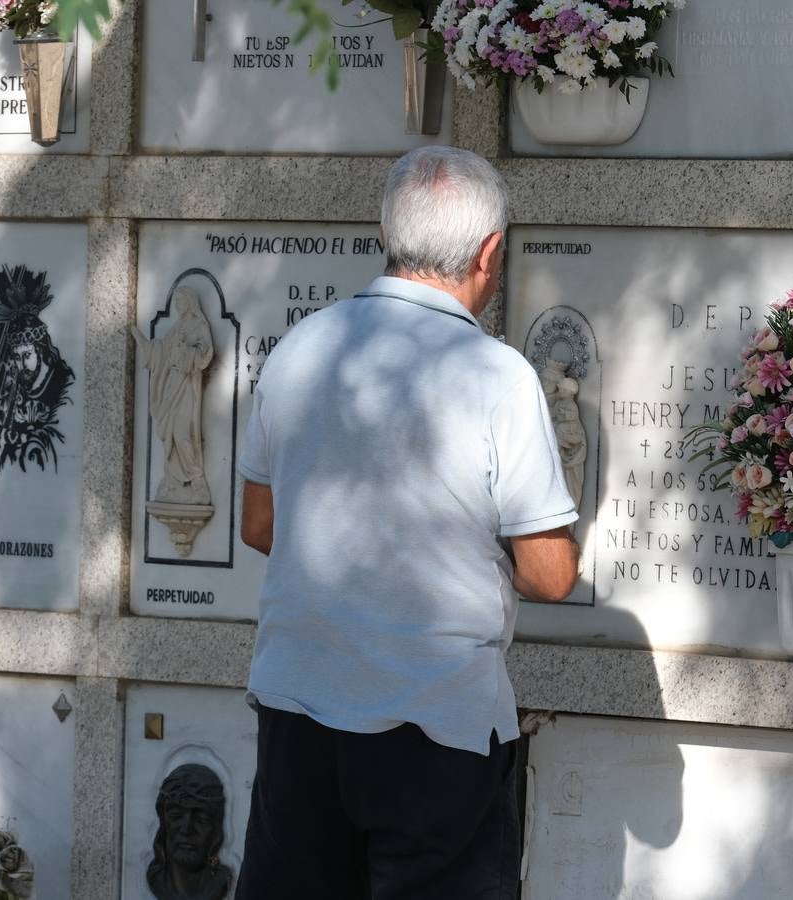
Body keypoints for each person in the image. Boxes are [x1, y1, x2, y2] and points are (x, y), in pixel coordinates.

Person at [233, 145, 581, 900]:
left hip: (299, 711)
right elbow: (549, 576)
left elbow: (259, 526)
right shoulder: (498, 375)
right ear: (490, 253)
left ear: (382, 233)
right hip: (436, 726)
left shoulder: (299, 346)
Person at [133, 287, 215, 505]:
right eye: (175, 300)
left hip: (187, 387)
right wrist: (145, 343)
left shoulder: (199, 326)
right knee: (170, 434)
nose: (178, 304)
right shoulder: (177, 328)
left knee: (181, 433)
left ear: (190, 302)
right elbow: (161, 352)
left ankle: (197, 479)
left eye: (181, 300)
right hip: (171, 385)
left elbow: (205, 355)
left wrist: (185, 352)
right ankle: (173, 483)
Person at [147, 764, 234, 900]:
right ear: (163, 821)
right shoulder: (157, 881)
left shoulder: (221, 882)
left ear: (216, 828)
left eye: (202, 818)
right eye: (176, 814)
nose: (186, 829)